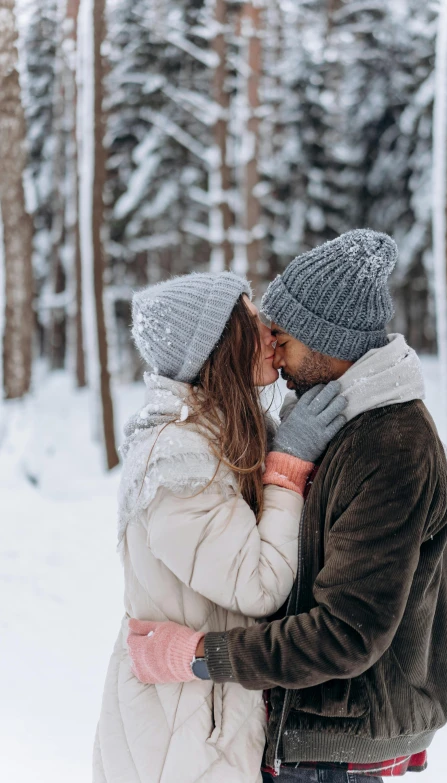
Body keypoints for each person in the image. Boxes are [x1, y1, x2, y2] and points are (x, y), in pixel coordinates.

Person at [128, 230, 447, 783]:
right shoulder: (336, 420)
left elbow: (346, 634)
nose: (272, 351)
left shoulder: (390, 445)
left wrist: (201, 656)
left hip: (341, 745)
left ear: (324, 340)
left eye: (281, 336)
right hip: (309, 733)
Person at [93, 270, 348, 783]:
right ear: (217, 346)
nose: (270, 330)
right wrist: (289, 464)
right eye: (251, 320)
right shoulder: (178, 457)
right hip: (178, 734)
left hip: (209, 713)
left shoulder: (230, 433)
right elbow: (256, 584)